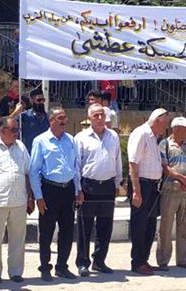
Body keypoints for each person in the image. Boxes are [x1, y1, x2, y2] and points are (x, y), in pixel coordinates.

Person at [29, 107, 83, 281]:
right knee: (46, 231)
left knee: (67, 231)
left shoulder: (71, 140)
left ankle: (62, 267)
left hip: (67, 190)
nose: (63, 121)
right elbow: (34, 170)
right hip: (49, 190)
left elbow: (76, 168)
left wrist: (77, 190)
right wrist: (38, 197)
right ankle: (45, 268)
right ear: (51, 120)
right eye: (60, 118)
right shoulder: (40, 141)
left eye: (65, 118)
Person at [74, 104, 122, 277]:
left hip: (108, 186)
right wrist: (78, 189)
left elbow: (118, 161)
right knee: (85, 227)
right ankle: (83, 263)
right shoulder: (81, 137)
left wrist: (117, 183)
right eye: (96, 115)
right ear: (90, 118)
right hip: (89, 187)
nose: (100, 118)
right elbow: (77, 165)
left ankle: (99, 261)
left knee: (105, 226)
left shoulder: (113, 136)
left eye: (102, 114)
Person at [127, 108, 171, 275]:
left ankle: (144, 259)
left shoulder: (155, 138)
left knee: (150, 224)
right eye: (165, 124)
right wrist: (136, 191)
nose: (165, 128)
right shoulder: (142, 134)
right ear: (157, 121)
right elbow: (133, 164)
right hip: (142, 185)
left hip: (153, 186)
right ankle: (137, 262)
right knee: (139, 225)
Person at [156, 117, 186, 271]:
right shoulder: (165, 144)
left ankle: (183, 259)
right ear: (175, 129)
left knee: (185, 225)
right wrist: (182, 178)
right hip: (170, 190)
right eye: (185, 129)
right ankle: (163, 260)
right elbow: (165, 167)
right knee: (166, 227)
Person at [0, 117, 33, 284]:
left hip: (19, 201)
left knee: (18, 239)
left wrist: (30, 197)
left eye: (17, 130)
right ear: (2, 131)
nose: (17, 133)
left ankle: (16, 271)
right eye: (14, 130)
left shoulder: (21, 147)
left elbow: (27, 173)